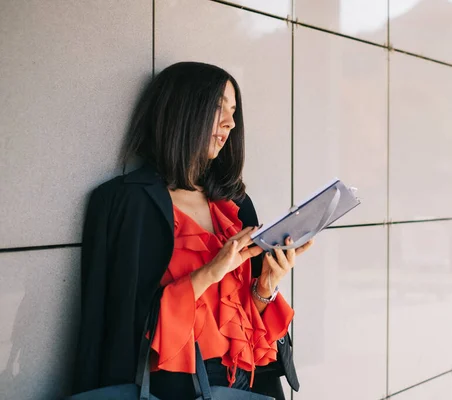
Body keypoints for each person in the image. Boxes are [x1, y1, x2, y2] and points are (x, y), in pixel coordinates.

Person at [71, 61, 313, 400]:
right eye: (218, 109)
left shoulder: (236, 206)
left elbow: (249, 332)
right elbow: (119, 325)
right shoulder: (124, 202)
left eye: (233, 111)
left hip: (239, 386)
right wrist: (212, 272)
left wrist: (267, 286)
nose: (230, 122)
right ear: (183, 112)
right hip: (167, 388)